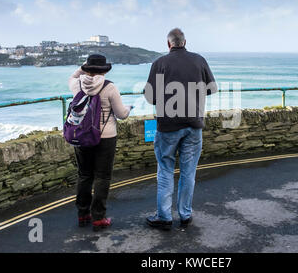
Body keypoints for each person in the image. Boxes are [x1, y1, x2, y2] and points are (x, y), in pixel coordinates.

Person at [144, 28, 217, 230]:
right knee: (188, 172)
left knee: (166, 170)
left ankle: (164, 217)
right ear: (184, 42)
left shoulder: (159, 63)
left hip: (168, 126)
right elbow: (211, 88)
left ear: (169, 44)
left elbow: (150, 97)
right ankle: (185, 215)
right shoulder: (199, 60)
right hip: (194, 125)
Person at [68, 54, 132, 231]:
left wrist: (84, 68)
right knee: (102, 177)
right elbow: (121, 114)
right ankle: (98, 217)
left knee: (85, 175)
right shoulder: (110, 87)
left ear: (86, 68)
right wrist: (129, 109)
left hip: (82, 136)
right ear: (104, 70)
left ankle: (83, 214)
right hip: (106, 137)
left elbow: (72, 76)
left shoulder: (77, 84)